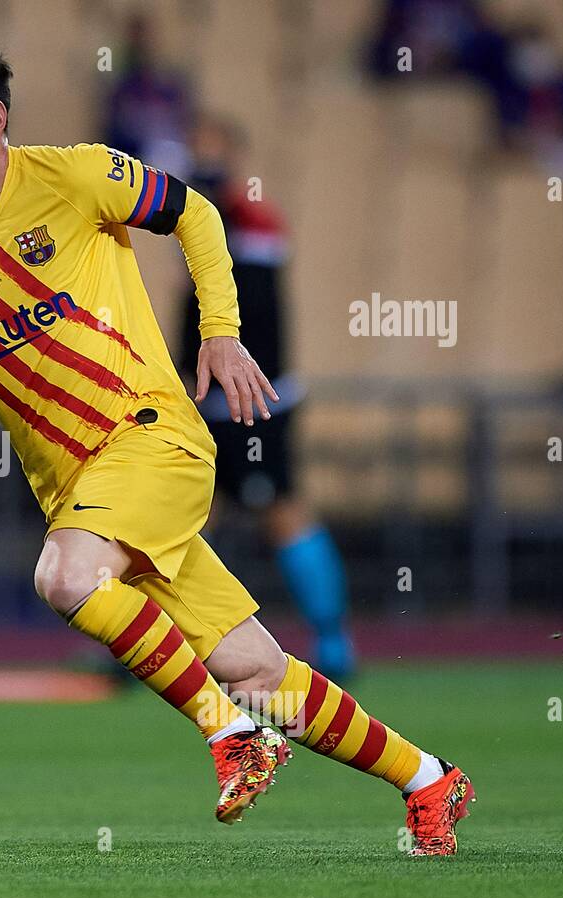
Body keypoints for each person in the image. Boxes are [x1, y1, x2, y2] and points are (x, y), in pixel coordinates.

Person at [0, 39, 473, 854]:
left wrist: (224, 334)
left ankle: (228, 735)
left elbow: (196, 213)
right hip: (78, 489)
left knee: (64, 574)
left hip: (152, 434)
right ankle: (430, 780)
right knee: (258, 672)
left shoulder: (75, 175)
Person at [177, 115, 356, 679]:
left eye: (210, 153)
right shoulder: (205, 225)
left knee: (280, 510)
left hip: (251, 402)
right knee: (180, 520)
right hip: (210, 401)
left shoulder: (250, 225)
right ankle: (158, 646)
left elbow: (247, 309)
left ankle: (332, 640)